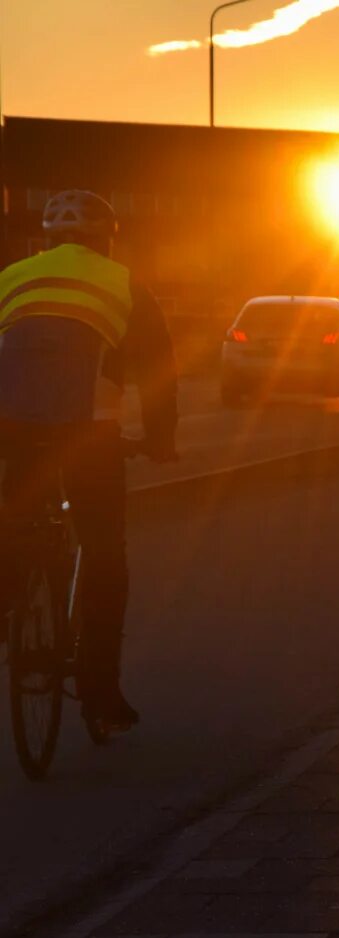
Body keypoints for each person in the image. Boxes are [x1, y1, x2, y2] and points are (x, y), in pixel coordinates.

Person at [0, 189, 178, 733]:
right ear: (107, 238)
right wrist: (159, 440)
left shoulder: (11, 276)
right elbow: (158, 371)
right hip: (89, 433)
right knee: (104, 552)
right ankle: (100, 691)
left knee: (10, 522)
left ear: (49, 238)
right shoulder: (124, 282)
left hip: (12, 427)